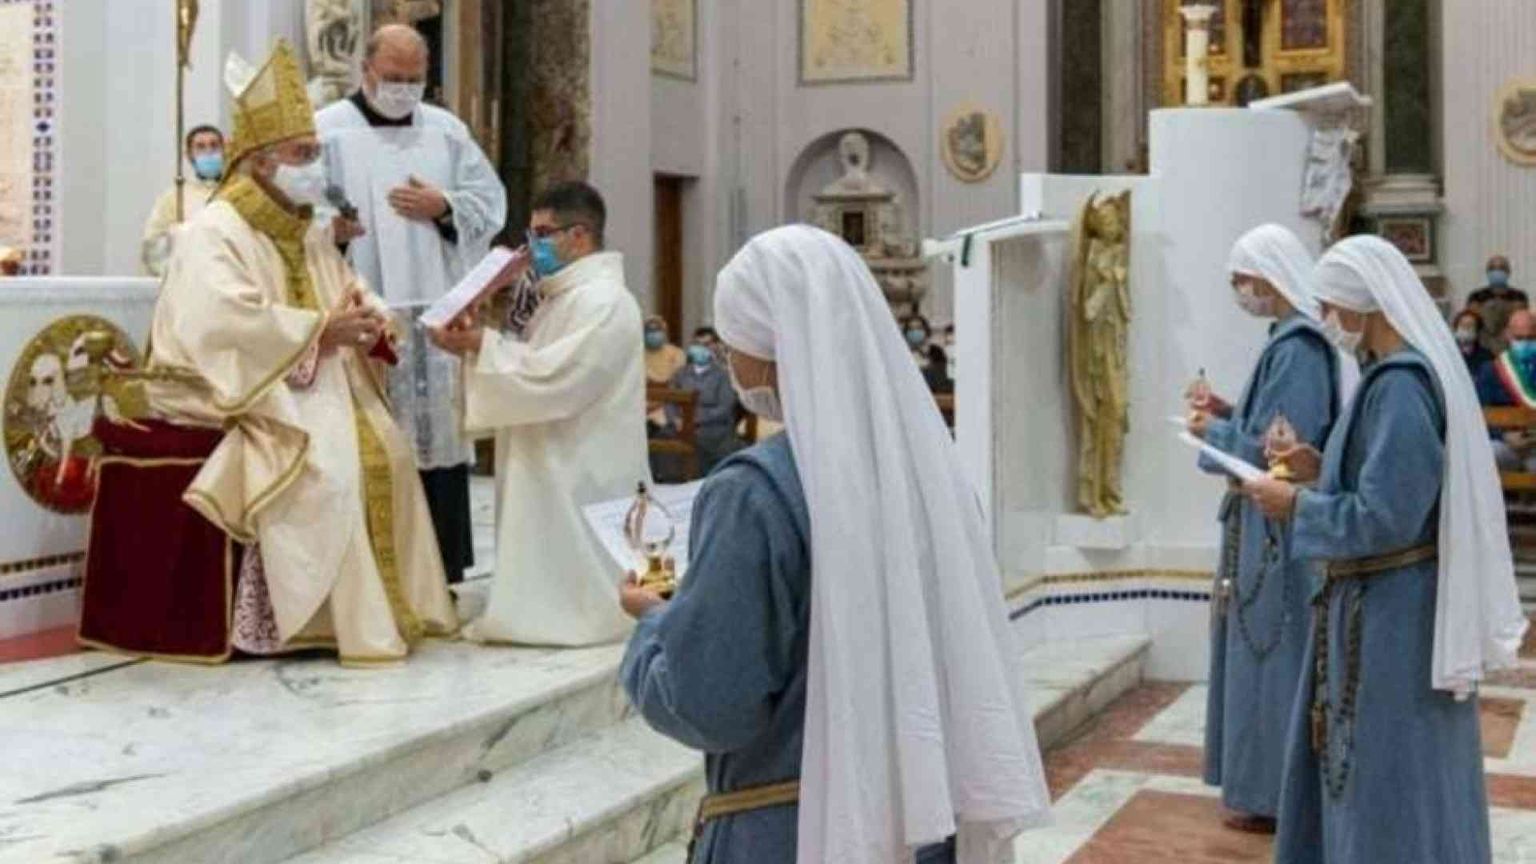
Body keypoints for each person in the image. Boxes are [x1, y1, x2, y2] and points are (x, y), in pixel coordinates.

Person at [618, 225, 1050, 864]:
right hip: (925, 819)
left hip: (790, 827)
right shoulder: (934, 477)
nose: (730, 360)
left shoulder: (752, 493)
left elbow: (711, 705)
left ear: (768, 349)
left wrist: (655, 629)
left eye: (732, 338)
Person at [142, 41, 457, 666]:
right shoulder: (214, 230)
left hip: (305, 375)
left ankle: (386, 608)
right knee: (327, 469)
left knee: (390, 451)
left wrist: (372, 319)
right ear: (259, 162)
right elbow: (222, 321)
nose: (315, 168)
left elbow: (347, 287)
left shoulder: (301, 225)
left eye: (314, 154)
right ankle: (319, 618)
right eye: (302, 155)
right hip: (234, 383)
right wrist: (320, 332)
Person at [1245, 235, 1526, 864]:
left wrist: (1295, 505)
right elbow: (1384, 480)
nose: (1326, 322)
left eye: (1331, 307)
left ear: (1363, 306)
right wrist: (1320, 469)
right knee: (1383, 764)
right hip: (1381, 607)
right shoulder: (1386, 380)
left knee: (1388, 769)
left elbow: (1387, 518)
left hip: (1391, 616)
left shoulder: (1399, 386)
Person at [316, 24, 507, 584]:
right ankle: (373, 577)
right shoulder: (328, 131)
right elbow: (300, 211)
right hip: (362, 312)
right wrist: (337, 229)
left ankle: (441, 570)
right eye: (393, 78)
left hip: (434, 315)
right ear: (366, 71)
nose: (403, 89)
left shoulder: (446, 132)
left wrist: (443, 205)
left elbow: (490, 202)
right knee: (371, 443)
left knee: (436, 444)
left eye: (414, 80)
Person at [428, 181, 646, 646]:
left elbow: (557, 378)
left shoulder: (604, 301)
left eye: (544, 233)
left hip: (583, 460)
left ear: (580, 236)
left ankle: (579, 615)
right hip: (552, 451)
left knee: (579, 585)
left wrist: (481, 346)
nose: (533, 246)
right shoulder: (564, 297)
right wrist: (476, 348)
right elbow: (530, 366)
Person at [1186, 225, 1341, 833]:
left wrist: (1211, 435)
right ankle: (1261, 788)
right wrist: (1229, 413)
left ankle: (1277, 794)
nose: (1237, 291)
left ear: (1268, 277)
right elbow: (1266, 425)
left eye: (1240, 280)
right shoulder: (1286, 341)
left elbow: (1284, 453)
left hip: (1277, 529)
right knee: (1259, 651)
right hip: (1261, 520)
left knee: (1272, 653)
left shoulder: (1300, 348)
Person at [142, 124, 226, 277]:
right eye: (200, 147)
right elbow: (152, 245)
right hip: (190, 278)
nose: (209, 152)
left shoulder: (238, 192)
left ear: (225, 151)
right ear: (189, 155)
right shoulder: (174, 199)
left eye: (214, 145)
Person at [667, 327, 745, 475]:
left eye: (706, 344)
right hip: (680, 426)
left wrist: (691, 420)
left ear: (715, 346)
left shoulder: (724, 376)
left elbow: (724, 408)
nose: (701, 348)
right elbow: (670, 401)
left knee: (703, 445)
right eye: (697, 344)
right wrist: (675, 419)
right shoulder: (680, 374)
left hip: (714, 428)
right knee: (660, 439)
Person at [1475, 309, 1536, 471]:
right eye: (1519, 338)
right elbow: (1479, 413)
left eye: (1530, 338)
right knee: (1488, 456)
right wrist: (1503, 435)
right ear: (1507, 335)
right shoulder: (1492, 370)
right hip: (1505, 442)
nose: (1525, 343)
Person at [1466, 254, 1528, 354]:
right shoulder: (1476, 296)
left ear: (1508, 272)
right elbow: (1473, 320)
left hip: (1510, 348)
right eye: (1492, 268)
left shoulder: (1519, 296)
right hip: (1482, 347)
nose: (1497, 271)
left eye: (1501, 268)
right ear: (1487, 272)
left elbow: (1520, 320)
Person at [902, 314, 949, 393]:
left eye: (919, 328)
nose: (915, 332)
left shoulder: (936, 351)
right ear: (906, 333)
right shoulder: (902, 352)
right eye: (911, 329)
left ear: (926, 330)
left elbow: (942, 379)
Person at [1453, 308, 1494, 379]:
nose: (1465, 328)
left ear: (1477, 331)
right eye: (1462, 325)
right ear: (1456, 328)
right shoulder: (1447, 351)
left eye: (1470, 325)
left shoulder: (1486, 356)